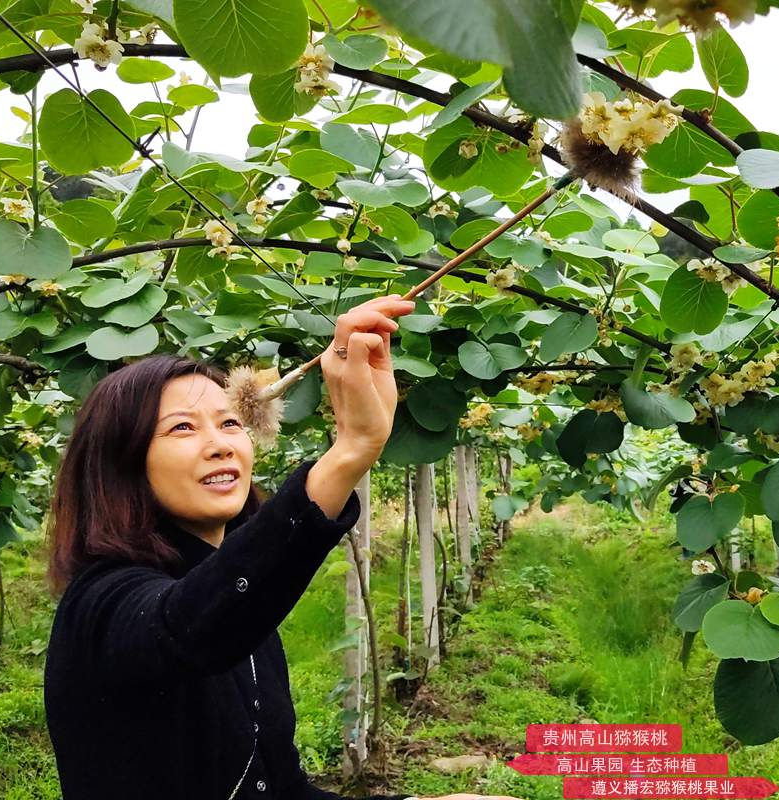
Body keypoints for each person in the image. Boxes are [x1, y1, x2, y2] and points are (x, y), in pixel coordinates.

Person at [42, 294, 520, 800]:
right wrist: (351, 450)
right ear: (122, 463)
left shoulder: (248, 616)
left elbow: (279, 789)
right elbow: (188, 628)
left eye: (230, 423)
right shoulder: (103, 603)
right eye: (182, 427)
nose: (222, 443)